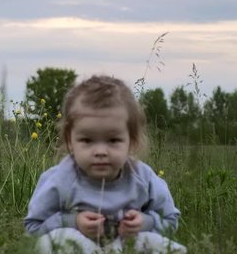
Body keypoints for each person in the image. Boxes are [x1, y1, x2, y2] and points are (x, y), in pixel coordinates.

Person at [24, 75, 187, 253]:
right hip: (81, 247)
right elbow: (33, 227)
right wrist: (74, 222)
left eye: (113, 140)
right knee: (50, 243)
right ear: (70, 141)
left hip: (127, 246)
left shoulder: (142, 177)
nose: (100, 151)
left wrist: (144, 223)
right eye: (87, 140)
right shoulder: (60, 178)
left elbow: (171, 221)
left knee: (161, 245)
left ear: (131, 141)